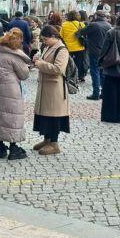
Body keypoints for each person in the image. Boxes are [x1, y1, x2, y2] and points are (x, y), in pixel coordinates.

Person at [0, 28, 31, 160]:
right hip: (10, 91)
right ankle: (13, 148)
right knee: (12, 118)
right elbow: (24, 74)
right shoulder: (14, 56)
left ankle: (1, 147)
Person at [32, 25, 71, 155]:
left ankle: (54, 144)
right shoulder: (48, 47)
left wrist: (40, 64)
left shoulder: (62, 49)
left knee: (54, 117)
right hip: (46, 87)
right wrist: (38, 58)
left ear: (54, 36)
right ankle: (47, 140)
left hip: (55, 89)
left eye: (45, 39)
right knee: (45, 116)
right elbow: (45, 59)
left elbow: (58, 69)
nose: (44, 42)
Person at [99, 14, 120, 124]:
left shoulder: (111, 32)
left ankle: (110, 116)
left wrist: (101, 61)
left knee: (110, 93)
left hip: (112, 64)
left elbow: (104, 49)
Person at [83, 11, 112, 100]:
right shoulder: (108, 25)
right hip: (105, 52)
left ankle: (96, 93)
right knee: (103, 72)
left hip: (95, 52)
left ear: (96, 16)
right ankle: (104, 93)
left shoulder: (94, 25)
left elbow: (82, 32)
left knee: (95, 72)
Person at [60, 11, 86, 83]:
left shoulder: (64, 24)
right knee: (79, 63)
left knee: (68, 63)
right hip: (79, 47)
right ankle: (79, 76)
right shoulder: (81, 24)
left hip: (68, 47)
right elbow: (85, 34)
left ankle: (69, 75)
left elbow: (61, 35)